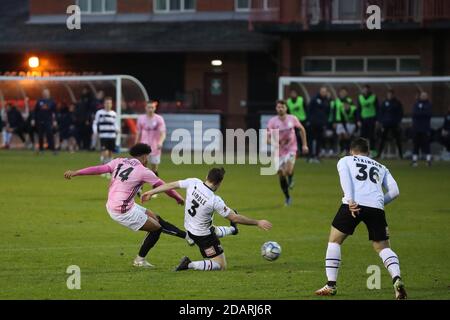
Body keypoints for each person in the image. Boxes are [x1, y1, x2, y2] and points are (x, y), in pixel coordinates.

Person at [64, 143, 193, 268]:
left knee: (156, 218)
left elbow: (98, 169)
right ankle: (139, 260)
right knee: (156, 228)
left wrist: (77, 172)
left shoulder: (118, 161)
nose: (147, 159)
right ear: (143, 157)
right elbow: (165, 187)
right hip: (122, 210)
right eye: (147, 156)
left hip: (116, 204)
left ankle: (188, 237)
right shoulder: (144, 171)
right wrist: (178, 198)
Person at [315, 138, 407, 300]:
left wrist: (350, 200)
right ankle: (396, 279)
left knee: (334, 241)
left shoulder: (346, 160)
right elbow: (395, 191)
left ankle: (331, 285)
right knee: (383, 247)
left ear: (351, 151)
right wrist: (379, 203)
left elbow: (345, 179)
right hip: (376, 208)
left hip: (353, 205)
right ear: (368, 152)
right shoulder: (381, 166)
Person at [140, 168, 272, 272]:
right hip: (203, 237)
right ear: (219, 183)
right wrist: (257, 222)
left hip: (189, 227)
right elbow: (234, 217)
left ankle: (232, 229)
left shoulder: (194, 182)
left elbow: (172, 184)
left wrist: (151, 192)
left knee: (211, 226)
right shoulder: (214, 200)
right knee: (220, 265)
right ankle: (188, 264)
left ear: (207, 177)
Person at [267, 100, 309, 206]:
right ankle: (288, 197)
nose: (280, 109)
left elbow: (302, 129)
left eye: (282, 107)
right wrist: (275, 143)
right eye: (278, 107)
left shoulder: (292, 118)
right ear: (276, 109)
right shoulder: (272, 121)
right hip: (279, 152)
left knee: (288, 170)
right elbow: (267, 138)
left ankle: (291, 176)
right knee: (281, 174)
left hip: (291, 149)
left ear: (286, 108)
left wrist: (304, 145)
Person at [135, 101, 166, 176]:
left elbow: (163, 133)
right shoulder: (140, 118)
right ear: (146, 108)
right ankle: (140, 187)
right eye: (149, 107)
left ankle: (155, 186)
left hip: (155, 146)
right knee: (142, 166)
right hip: (144, 146)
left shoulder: (159, 119)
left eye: (152, 107)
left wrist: (160, 142)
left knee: (154, 168)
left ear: (155, 108)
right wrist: (136, 144)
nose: (150, 109)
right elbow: (138, 132)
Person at [92, 97, 120, 173]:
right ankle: (102, 168)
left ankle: (109, 169)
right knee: (105, 152)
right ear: (104, 104)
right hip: (103, 135)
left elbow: (115, 124)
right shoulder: (99, 113)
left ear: (111, 104)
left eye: (109, 103)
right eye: (107, 103)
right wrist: (95, 131)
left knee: (110, 152)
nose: (108, 104)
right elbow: (95, 123)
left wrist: (117, 129)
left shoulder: (113, 113)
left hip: (112, 135)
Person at [377, 90, 404, 159]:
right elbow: (381, 112)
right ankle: (379, 154)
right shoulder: (384, 102)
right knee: (382, 139)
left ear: (393, 95)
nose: (390, 96)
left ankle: (401, 155)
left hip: (394, 124)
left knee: (397, 139)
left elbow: (400, 113)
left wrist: (398, 121)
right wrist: (381, 121)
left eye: (391, 94)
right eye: (389, 94)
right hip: (385, 124)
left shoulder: (397, 103)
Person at [331, 87, 358, 155]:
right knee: (340, 136)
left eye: (344, 92)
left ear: (346, 93)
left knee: (347, 136)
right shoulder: (336, 101)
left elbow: (352, 111)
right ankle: (341, 150)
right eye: (341, 92)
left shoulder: (349, 100)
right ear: (339, 93)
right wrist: (334, 121)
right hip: (338, 121)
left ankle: (347, 150)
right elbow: (334, 111)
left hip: (347, 122)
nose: (343, 93)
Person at [307, 86, 330, 163]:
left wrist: (325, 123)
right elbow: (309, 110)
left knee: (319, 140)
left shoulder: (327, 100)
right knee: (311, 140)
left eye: (325, 91)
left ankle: (316, 156)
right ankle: (310, 156)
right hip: (313, 123)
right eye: (322, 91)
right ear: (319, 91)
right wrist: (309, 121)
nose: (323, 93)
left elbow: (327, 112)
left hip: (321, 124)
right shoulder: (314, 99)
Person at [32, 89, 57, 153]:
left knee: (50, 134)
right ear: (42, 94)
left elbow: (54, 112)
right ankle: (41, 149)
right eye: (44, 93)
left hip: (48, 121)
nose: (45, 94)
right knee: (40, 135)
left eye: (46, 92)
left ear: (49, 93)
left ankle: (53, 149)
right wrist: (33, 119)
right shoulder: (39, 101)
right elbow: (35, 111)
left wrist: (54, 121)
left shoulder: (52, 101)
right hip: (40, 121)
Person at [411, 91, 432, 167]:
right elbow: (414, 114)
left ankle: (428, 160)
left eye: (425, 95)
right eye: (422, 95)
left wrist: (421, 111)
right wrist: (421, 112)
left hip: (425, 128)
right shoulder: (416, 104)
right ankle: (414, 160)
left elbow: (428, 114)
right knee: (415, 145)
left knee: (426, 145)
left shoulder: (429, 104)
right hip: (416, 128)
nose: (423, 97)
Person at [358, 85, 379, 156]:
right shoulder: (360, 97)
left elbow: (377, 108)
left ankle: (372, 151)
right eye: (364, 89)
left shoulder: (373, 97)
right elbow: (358, 109)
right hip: (363, 119)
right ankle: (362, 151)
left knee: (371, 136)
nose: (366, 91)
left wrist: (377, 120)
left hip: (372, 118)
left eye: (367, 89)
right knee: (362, 136)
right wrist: (358, 120)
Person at [287, 89, 308, 156]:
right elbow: (288, 112)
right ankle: (296, 151)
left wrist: (307, 120)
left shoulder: (301, 100)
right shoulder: (288, 102)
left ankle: (305, 149)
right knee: (294, 137)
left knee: (302, 135)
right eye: (292, 93)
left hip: (302, 120)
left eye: (294, 93)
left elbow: (306, 109)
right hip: (293, 121)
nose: (293, 95)